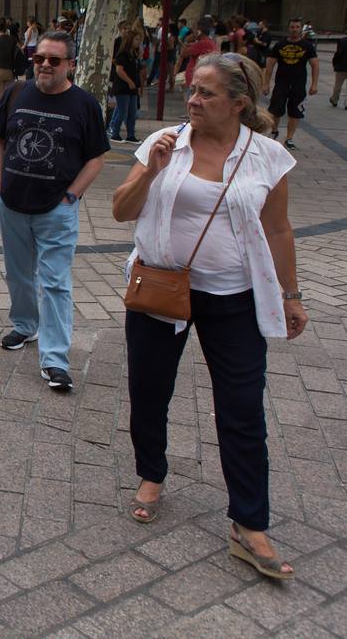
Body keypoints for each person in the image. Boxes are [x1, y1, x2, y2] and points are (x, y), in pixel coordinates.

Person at [112, 52, 305, 581]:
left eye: (206, 93)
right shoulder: (164, 144)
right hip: (160, 288)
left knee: (243, 408)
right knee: (149, 390)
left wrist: (290, 294)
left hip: (234, 298)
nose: (192, 100)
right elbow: (121, 210)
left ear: (239, 104)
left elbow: (279, 230)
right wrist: (151, 171)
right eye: (191, 89)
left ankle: (249, 523)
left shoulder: (266, 155)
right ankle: (151, 474)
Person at [0, 31, 109, 391]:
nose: (44, 65)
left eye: (53, 60)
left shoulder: (84, 105)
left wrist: (71, 197)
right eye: (39, 57)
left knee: (56, 283)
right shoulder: (16, 92)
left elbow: (96, 158)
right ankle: (26, 325)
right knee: (19, 273)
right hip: (11, 203)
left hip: (57, 210)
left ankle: (55, 358)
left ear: (70, 64)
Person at [261, 17, 318, 148]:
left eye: (297, 27)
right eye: (292, 27)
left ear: (301, 28)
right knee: (275, 110)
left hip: (298, 84)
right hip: (281, 83)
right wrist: (266, 83)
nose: (294, 30)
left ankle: (289, 138)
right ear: (288, 28)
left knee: (295, 112)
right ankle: (274, 131)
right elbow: (270, 65)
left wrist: (314, 84)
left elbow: (315, 65)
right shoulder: (280, 45)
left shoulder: (307, 46)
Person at [109, 25, 141, 142]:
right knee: (122, 111)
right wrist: (129, 81)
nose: (138, 42)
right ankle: (115, 133)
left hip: (132, 88)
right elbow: (119, 70)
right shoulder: (123, 54)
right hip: (123, 87)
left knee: (132, 112)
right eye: (136, 39)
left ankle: (131, 135)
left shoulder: (134, 54)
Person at [175, 16, 217, 98]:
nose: (192, 32)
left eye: (194, 29)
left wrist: (187, 41)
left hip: (194, 81)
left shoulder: (202, 43)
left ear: (199, 31)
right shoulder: (209, 42)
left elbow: (183, 54)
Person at [0, 17, 24, 103]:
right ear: (6, 27)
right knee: (8, 98)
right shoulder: (12, 40)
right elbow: (20, 52)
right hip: (10, 71)